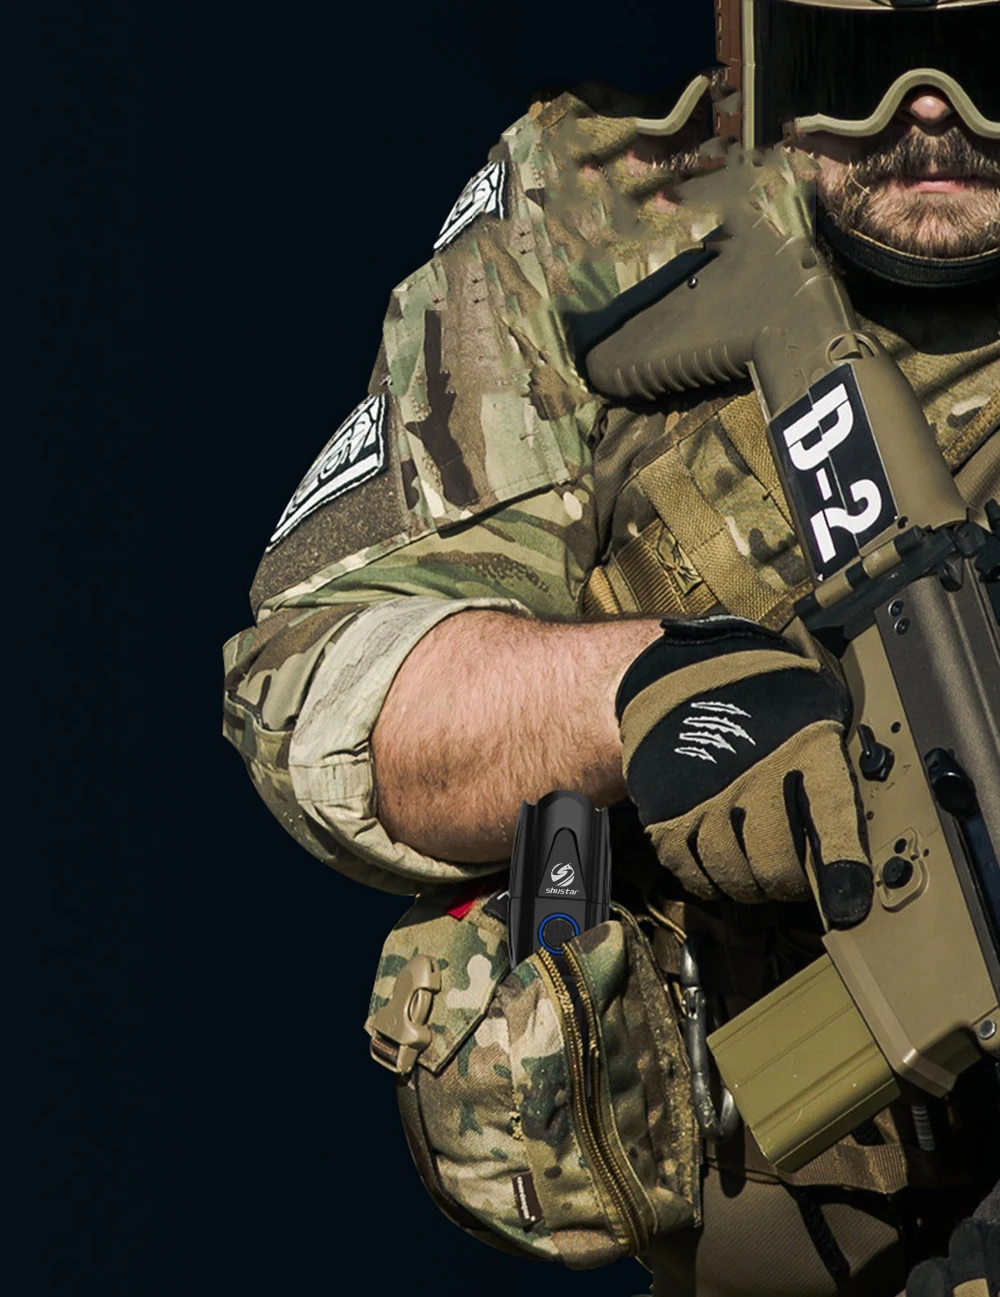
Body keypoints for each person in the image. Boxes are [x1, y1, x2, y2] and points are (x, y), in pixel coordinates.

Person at [222, 1, 999, 1292]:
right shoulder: (600, 216)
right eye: (854, 67)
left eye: (987, 65)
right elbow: (324, 681)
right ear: (745, 41)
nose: (928, 114)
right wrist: (651, 689)